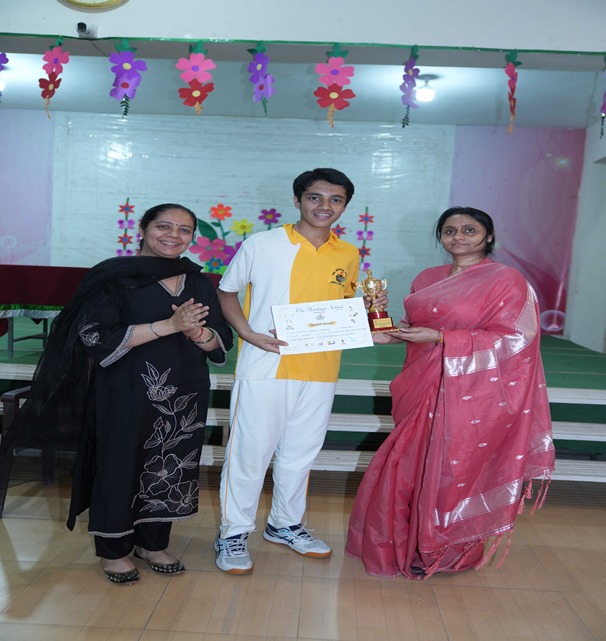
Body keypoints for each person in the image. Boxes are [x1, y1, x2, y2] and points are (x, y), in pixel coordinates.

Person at [0, 203, 233, 584]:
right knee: (119, 464)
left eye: (184, 230)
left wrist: (198, 334)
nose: (174, 235)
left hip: (184, 394)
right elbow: (94, 336)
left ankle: (152, 544)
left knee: (169, 463)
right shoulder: (115, 278)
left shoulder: (200, 283)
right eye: (164, 226)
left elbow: (219, 342)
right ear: (143, 228)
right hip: (126, 390)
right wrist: (169, 325)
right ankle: (114, 549)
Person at [346, 206, 555, 579]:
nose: (458, 236)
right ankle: (402, 544)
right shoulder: (428, 278)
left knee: (453, 470)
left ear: (489, 236)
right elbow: (408, 331)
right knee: (408, 464)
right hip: (422, 384)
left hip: (471, 394)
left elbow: (516, 338)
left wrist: (443, 337)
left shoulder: (506, 280)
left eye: (469, 230)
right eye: (449, 230)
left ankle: (444, 552)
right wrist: (377, 319)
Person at [213, 168, 385, 575]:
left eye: (335, 200)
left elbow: (340, 310)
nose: (325, 206)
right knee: (249, 454)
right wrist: (247, 333)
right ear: (297, 200)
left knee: (300, 454)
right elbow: (225, 291)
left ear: (345, 205)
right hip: (266, 366)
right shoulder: (261, 244)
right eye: (315, 197)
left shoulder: (348, 254)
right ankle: (233, 532)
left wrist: (373, 315)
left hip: (322, 370)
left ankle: (285, 524)